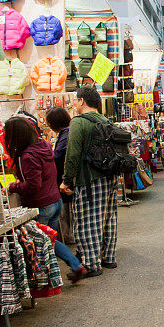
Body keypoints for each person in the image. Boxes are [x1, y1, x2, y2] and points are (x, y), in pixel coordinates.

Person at [4, 116, 87, 283]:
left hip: (41, 204)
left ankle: (69, 268)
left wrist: (14, 187)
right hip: (54, 200)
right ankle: (70, 267)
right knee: (49, 240)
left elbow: (34, 184)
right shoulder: (43, 146)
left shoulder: (27, 156)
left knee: (46, 241)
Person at [60, 86, 119, 277]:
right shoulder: (105, 120)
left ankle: (92, 264)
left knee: (88, 221)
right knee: (108, 217)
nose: (75, 104)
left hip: (89, 179)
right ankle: (108, 257)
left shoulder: (78, 122)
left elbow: (73, 153)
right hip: (109, 175)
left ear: (82, 101)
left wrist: (66, 180)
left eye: (76, 100)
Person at [45, 106, 76, 252]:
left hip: (65, 180)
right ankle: (69, 235)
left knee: (67, 210)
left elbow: (59, 157)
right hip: (66, 180)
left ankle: (69, 236)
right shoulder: (66, 134)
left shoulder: (65, 135)